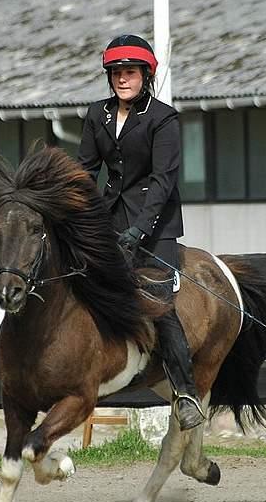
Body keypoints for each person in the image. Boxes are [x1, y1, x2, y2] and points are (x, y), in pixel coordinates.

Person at [77, 34, 205, 430]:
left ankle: (184, 393)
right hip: (110, 220)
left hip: (157, 224)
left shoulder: (162, 117)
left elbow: (163, 180)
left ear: (145, 75)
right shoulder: (97, 114)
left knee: (159, 304)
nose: (121, 78)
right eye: (115, 72)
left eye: (129, 72)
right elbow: (85, 170)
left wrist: (139, 229)